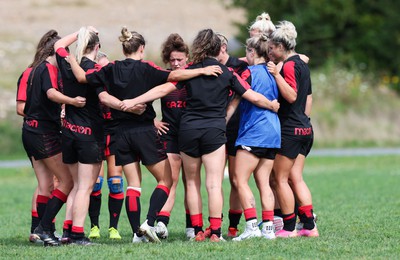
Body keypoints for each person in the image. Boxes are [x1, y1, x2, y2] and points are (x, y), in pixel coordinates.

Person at [120, 28, 280, 243]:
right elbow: (252, 96)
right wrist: (271, 104)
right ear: (217, 49)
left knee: (192, 183)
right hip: (214, 131)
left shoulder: (190, 71)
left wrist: (133, 101)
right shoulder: (226, 73)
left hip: (188, 131)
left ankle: (196, 231)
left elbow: (161, 90)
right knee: (213, 184)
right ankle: (215, 232)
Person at [66, 26, 222, 243]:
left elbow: (84, 79)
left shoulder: (110, 68)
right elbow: (175, 75)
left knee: (133, 185)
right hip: (144, 132)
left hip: (120, 134)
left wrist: (69, 57)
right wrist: (201, 70)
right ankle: (149, 222)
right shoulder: (146, 68)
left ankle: (136, 236)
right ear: (141, 48)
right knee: (166, 179)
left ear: (123, 47)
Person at [54, 26, 126, 245]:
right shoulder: (96, 70)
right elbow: (104, 98)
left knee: (77, 185)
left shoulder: (66, 61)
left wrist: (80, 31)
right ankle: (77, 233)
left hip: (68, 133)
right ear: (98, 47)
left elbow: (58, 45)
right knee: (85, 187)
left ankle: (67, 231)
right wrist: (128, 106)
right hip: (89, 134)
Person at [17, 29, 86, 246]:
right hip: (42, 133)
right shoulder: (45, 69)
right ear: (55, 52)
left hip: (32, 131)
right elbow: (50, 94)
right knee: (67, 181)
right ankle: (43, 228)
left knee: (46, 184)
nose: (65, 60)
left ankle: (41, 231)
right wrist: (72, 101)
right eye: (63, 55)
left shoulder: (38, 69)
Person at [267, 21, 318, 237]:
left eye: (271, 47)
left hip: (290, 130)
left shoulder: (287, 66)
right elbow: (307, 99)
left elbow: (292, 95)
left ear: (281, 46)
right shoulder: (302, 63)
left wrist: (276, 75)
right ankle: (309, 226)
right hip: (305, 128)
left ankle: (289, 228)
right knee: (295, 177)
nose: (269, 51)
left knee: (279, 179)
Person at [231, 34, 280, 241]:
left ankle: (251, 226)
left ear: (252, 52)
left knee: (239, 180)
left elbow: (237, 96)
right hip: (273, 133)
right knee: (263, 182)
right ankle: (268, 228)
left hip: (254, 133)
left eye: (246, 53)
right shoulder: (274, 72)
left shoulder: (248, 73)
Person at [153, 33, 193, 240]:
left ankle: (191, 226)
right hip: (169, 135)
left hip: (191, 134)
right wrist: (154, 121)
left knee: (191, 181)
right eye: (172, 60)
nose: (176, 63)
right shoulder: (163, 76)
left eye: (180, 59)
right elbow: (141, 99)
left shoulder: (194, 76)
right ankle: (162, 223)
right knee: (172, 179)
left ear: (187, 57)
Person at [87, 51, 125, 241]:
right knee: (95, 183)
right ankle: (94, 226)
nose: (104, 71)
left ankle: (113, 228)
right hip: (95, 133)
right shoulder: (90, 84)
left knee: (116, 183)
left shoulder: (116, 84)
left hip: (115, 134)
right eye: (99, 67)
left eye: (106, 67)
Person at [216, 33, 248, 238]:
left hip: (237, 130)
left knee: (237, 180)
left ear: (224, 47)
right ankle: (214, 225)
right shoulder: (207, 68)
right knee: (215, 180)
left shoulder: (240, 66)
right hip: (216, 130)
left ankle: (233, 227)